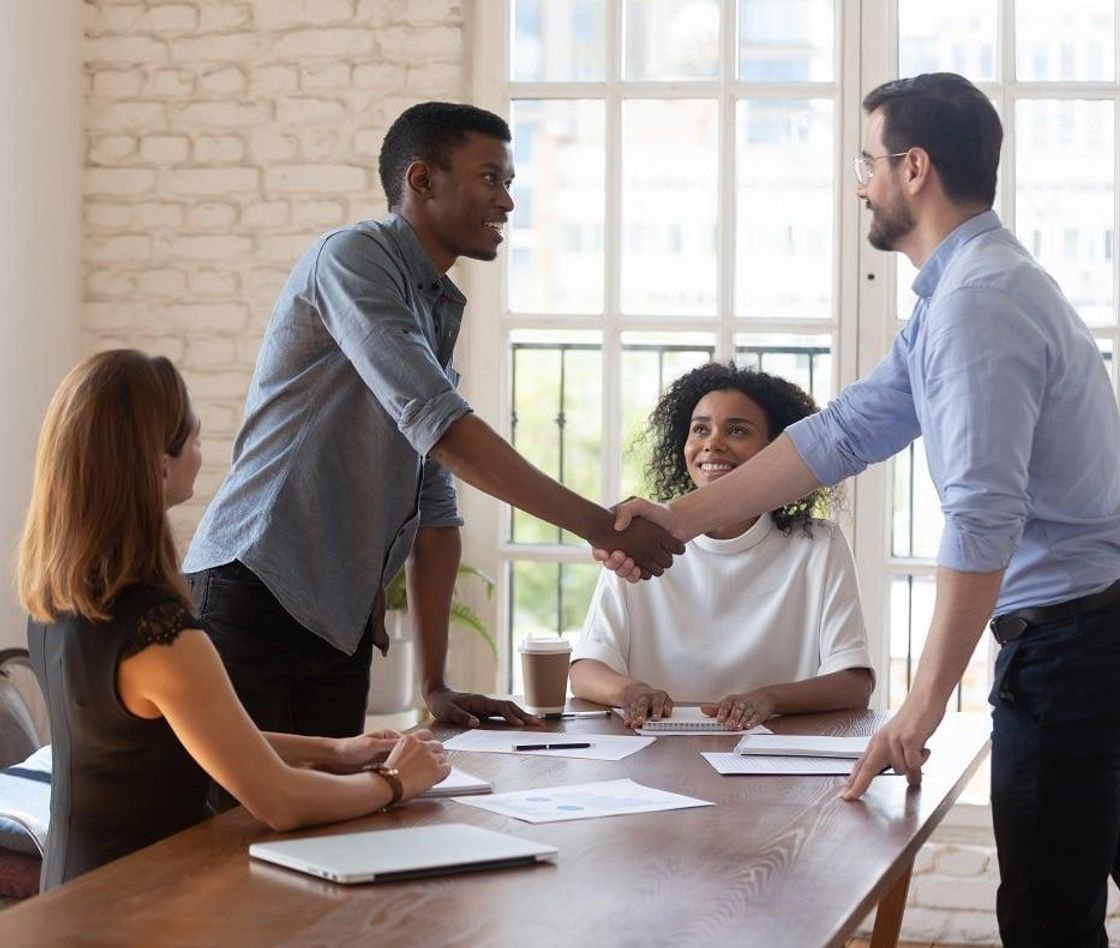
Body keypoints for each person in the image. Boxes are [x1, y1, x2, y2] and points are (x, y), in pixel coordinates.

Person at [602, 74, 1120, 945]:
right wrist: (678, 518)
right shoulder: (965, 292)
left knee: (1047, 919)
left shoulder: (975, 305)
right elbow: (841, 434)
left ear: (914, 168)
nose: (859, 184)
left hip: (1080, 646)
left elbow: (983, 517)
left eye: (867, 163)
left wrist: (921, 704)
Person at [182, 102, 681, 747]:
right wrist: (598, 525)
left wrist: (436, 685)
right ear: (422, 180)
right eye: (490, 179)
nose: (506, 203)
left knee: (318, 832)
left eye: (510, 183)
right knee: (235, 831)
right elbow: (441, 427)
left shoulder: (433, 306)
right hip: (253, 589)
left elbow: (435, 509)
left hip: (337, 624)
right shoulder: (353, 258)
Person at [16, 350, 451, 890]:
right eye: (194, 440)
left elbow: (182, 737)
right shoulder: (158, 632)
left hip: (73, 889)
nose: (203, 451)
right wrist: (394, 782)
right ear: (157, 464)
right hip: (136, 903)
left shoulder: (61, 598)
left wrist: (336, 751)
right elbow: (280, 801)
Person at [572, 363, 874, 729]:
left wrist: (769, 698)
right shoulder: (643, 543)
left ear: (778, 452)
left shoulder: (818, 546)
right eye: (700, 428)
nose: (712, 442)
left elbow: (853, 683)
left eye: (737, 430)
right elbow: (587, 668)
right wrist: (630, 691)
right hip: (654, 755)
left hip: (774, 761)